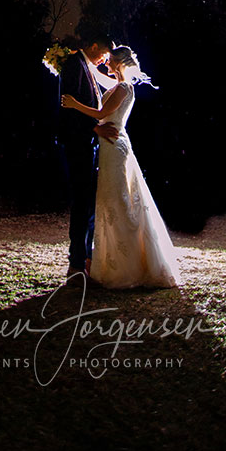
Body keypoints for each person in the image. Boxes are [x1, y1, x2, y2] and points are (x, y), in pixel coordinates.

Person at [61, 45, 181, 289]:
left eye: (109, 60)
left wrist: (75, 105)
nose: (105, 62)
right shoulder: (116, 84)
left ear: (118, 63)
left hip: (114, 146)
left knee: (118, 201)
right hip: (108, 146)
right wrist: (66, 59)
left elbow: (102, 112)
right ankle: (108, 259)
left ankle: (128, 263)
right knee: (109, 202)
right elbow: (93, 76)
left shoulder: (124, 87)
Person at [57, 36, 118, 280]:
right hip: (77, 142)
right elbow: (68, 105)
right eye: (104, 52)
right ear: (94, 45)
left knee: (89, 203)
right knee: (82, 203)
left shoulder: (85, 65)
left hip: (87, 144)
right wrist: (95, 128)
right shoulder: (74, 63)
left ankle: (87, 260)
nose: (104, 59)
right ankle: (76, 263)